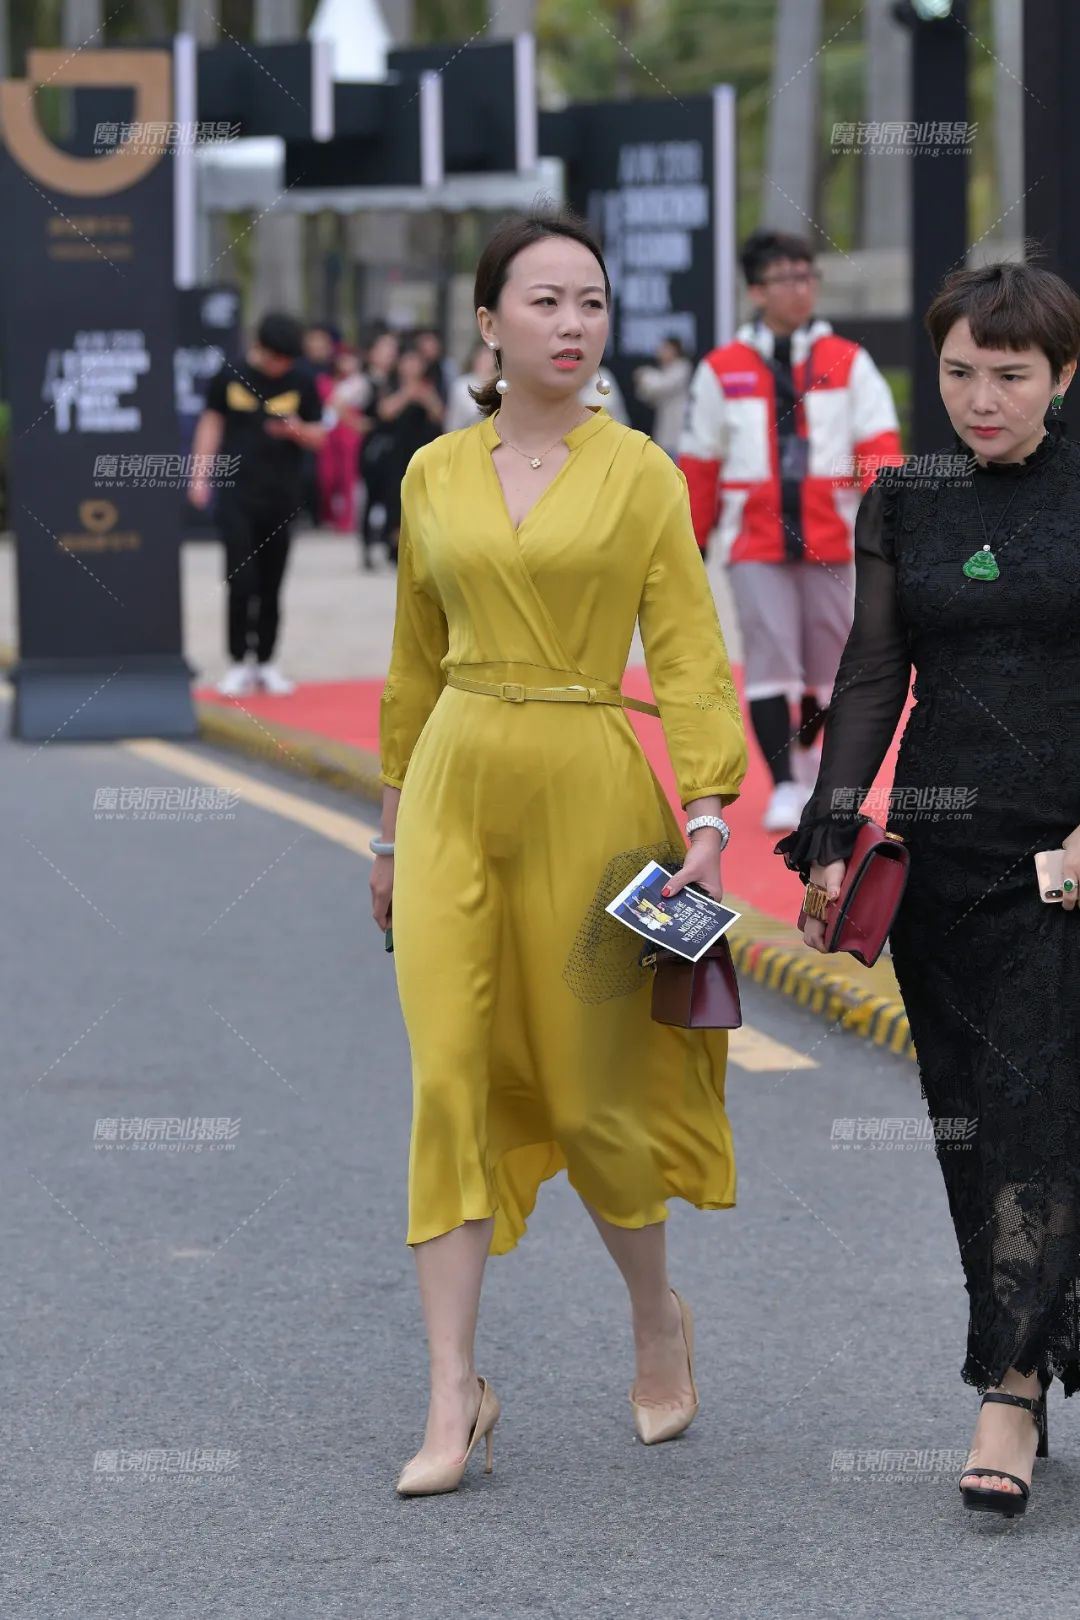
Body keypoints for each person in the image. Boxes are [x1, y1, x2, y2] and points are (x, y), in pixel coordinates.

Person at [370, 206, 747, 1497]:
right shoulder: (432, 473)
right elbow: (413, 664)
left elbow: (689, 654)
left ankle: (654, 1318)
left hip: (592, 796)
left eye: (590, 301)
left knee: (593, 1096)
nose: (573, 323)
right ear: (488, 323)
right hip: (451, 793)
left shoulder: (641, 471)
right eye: (544, 301)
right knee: (448, 1083)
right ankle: (451, 1394)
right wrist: (385, 830)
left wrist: (709, 814)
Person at [775, 259, 1080, 1520]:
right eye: (959, 373)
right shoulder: (905, 500)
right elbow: (871, 674)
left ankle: (1007, 1389)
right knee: (977, 1124)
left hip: (1067, 862)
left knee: (1038, 1114)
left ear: (1065, 375)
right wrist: (831, 831)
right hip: (946, 865)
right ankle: (1027, 1351)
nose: (981, 400)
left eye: (1010, 376)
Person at [678, 229, 902, 835]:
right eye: (785, 278)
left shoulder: (848, 361)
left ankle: (813, 768)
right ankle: (782, 784)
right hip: (754, 542)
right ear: (756, 290)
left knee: (833, 669)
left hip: (835, 537)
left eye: (807, 275)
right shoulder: (721, 369)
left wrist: (887, 524)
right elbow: (700, 462)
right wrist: (690, 545)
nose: (801, 288)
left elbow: (880, 446)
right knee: (771, 662)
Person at [190, 312, 326, 696]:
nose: (281, 366)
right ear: (260, 348)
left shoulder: (302, 380)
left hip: (282, 495)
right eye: (276, 358)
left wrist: (296, 429)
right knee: (240, 579)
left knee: (271, 582)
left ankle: (265, 662)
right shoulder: (228, 375)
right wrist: (199, 477)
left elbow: (319, 436)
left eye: (287, 360)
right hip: (236, 494)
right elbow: (211, 424)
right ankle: (237, 662)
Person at [371, 344, 444, 566]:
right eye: (407, 361)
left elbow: (439, 415)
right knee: (396, 500)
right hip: (396, 453)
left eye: (416, 361)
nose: (412, 366)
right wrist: (406, 394)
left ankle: (420, 546)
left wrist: (425, 397)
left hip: (423, 450)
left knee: (423, 499)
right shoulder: (391, 385)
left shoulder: (430, 387)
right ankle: (396, 546)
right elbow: (384, 412)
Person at [355, 329, 401, 570]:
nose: (389, 354)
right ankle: (367, 547)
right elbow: (337, 403)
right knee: (371, 497)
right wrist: (358, 423)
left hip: (395, 446)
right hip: (374, 447)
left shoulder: (396, 380)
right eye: (384, 349)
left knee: (393, 496)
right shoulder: (364, 381)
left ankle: (391, 545)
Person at [633, 335, 692, 457]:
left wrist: (644, 375)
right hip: (665, 433)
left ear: (675, 350)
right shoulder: (664, 370)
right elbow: (647, 396)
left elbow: (662, 385)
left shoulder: (682, 367)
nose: (660, 352)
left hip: (678, 433)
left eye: (665, 348)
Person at [443, 339, 496, 432]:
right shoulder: (461, 385)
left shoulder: (500, 385)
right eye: (481, 356)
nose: (484, 361)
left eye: (488, 357)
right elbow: (452, 421)